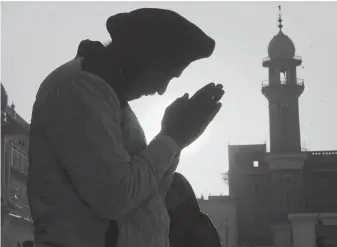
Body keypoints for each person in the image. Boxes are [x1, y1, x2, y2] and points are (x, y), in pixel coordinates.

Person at [27, 8, 224, 247]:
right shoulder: (78, 89)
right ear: (142, 57)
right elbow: (115, 196)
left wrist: (176, 141)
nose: (162, 89)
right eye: (166, 75)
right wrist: (171, 137)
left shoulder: (109, 99)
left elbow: (147, 197)